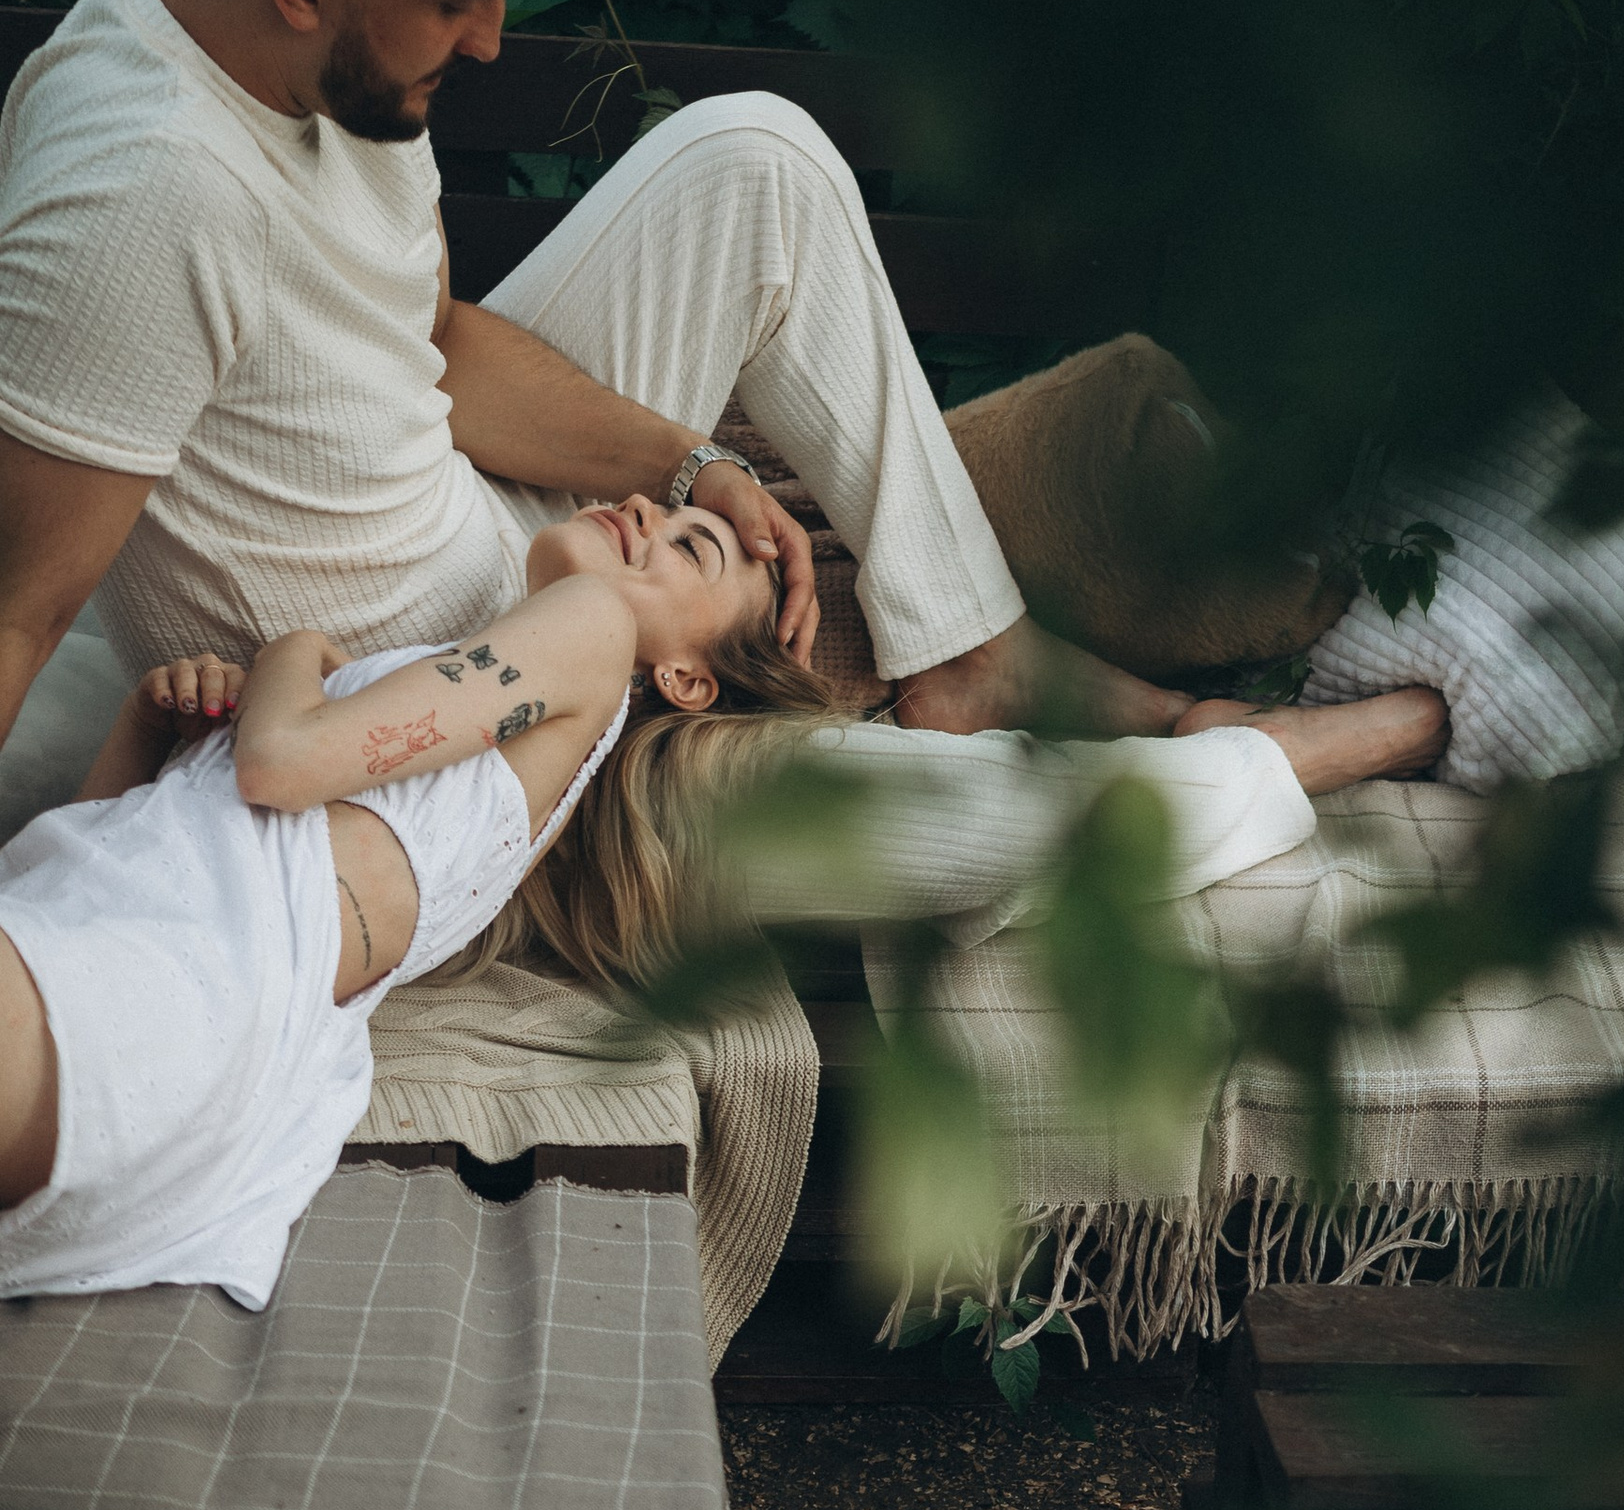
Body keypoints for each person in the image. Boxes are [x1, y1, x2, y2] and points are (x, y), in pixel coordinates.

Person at [0, 0, 1172, 846]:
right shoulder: (142, 193)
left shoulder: (301, 50)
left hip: (491, 515)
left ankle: (968, 650)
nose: (492, 41)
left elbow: (437, 343)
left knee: (755, 156)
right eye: (457, 2)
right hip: (432, 669)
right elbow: (20, 606)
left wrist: (688, 462)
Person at [0, 463, 1448, 1317]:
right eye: (663, 511)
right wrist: (152, 719)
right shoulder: (516, 670)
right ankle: (1271, 743)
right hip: (117, 944)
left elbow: (279, 766)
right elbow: (124, 837)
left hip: (161, 973)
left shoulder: (595, 654)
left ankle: (1316, 736)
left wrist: (287, 646)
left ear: (686, 673)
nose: (643, 508)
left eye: (688, 545)